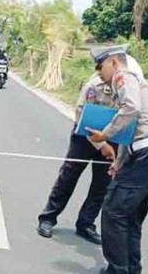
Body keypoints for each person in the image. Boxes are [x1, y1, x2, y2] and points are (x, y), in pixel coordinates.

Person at [82, 48, 148, 274]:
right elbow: (130, 128)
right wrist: (120, 162)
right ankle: (130, 273)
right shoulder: (128, 82)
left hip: (147, 155)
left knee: (113, 211)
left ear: (114, 62)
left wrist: (104, 135)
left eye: (101, 68)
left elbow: (130, 110)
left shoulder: (124, 76)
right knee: (130, 216)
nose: (99, 75)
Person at [36, 47, 123, 244]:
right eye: (100, 70)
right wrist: (101, 145)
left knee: (102, 184)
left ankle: (86, 224)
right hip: (85, 137)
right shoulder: (93, 86)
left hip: (112, 139)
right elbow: (82, 117)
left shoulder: (125, 86)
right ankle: (48, 218)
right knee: (68, 176)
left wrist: (115, 148)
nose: (102, 74)